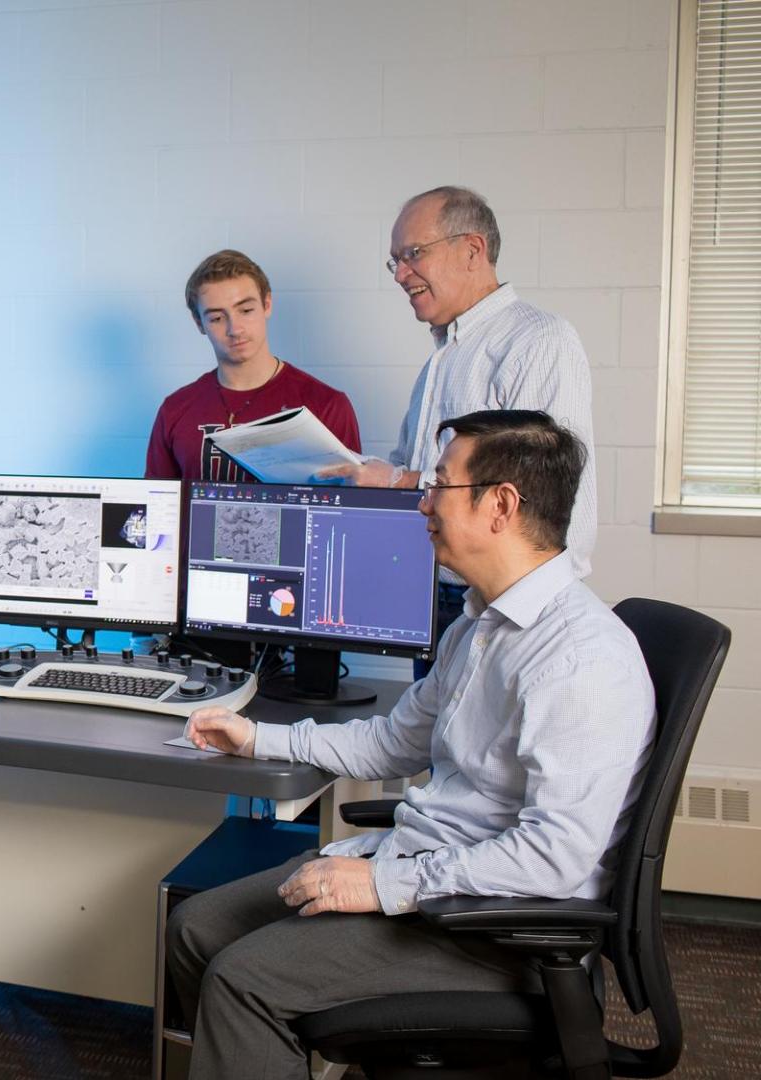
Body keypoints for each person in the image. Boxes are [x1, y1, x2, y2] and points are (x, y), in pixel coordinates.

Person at [167, 410, 654, 1080]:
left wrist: (383, 882)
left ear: (500, 506)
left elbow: (555, 858)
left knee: (242, 980)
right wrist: (254, 737)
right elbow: (393, 742)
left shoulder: (578, 658)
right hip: (429, 874)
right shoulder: (479, 626)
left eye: (439, 486)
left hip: (490, 932)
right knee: (196, 927)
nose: (421, 503)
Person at [322, 186, 599, 649]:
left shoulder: (538, 341)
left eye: (413, 254)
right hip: (438, 594)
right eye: (395, 261)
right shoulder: (441, 361)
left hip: (504, 603)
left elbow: (537, 490)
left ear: (472, 250)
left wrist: (398, 481)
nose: (401, 274)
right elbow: (408, 467)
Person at [146, 249, 362, 482]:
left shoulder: (327, 405)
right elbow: (156, 501)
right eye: (217, 318)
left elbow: (351, 500)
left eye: (246, 310)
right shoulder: (175, 409)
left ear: (267, 304)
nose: (235, 329)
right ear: (199, 323)